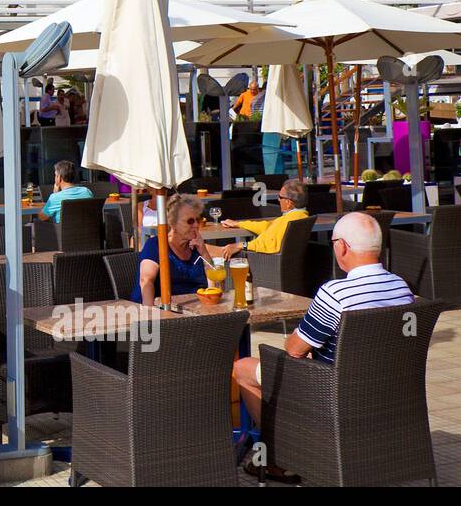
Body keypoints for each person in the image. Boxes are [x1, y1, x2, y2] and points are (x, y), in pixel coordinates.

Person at [231, 212, 413, 457]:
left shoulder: (335, 292)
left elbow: (295, 349)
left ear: (343, 247)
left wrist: (294, 336)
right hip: (389, 392)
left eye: (333, 244)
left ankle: (282, 453)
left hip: (331, 392)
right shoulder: (401, 287)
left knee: (242, 368)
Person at [131, 194, 235, 305]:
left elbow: (216, 288)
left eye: (198, 220)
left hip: (198, 311)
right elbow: (146, 281)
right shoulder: (156, 245)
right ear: (173, 223)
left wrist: (204, 252)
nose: (196, 225)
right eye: (190, 221)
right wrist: (150, 315)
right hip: (162, 311)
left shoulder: (197, 249)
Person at [219, 178, 308, 257]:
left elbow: (269, 245)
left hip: (259, 261)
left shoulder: (288, 221)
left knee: (210, 250)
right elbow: (267, 226)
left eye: (280, 197)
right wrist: (239, 224)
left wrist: (240, 245)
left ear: (289, 203)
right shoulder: (301, 217)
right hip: (283, 262)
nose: (278, 199)